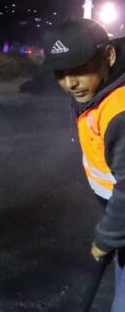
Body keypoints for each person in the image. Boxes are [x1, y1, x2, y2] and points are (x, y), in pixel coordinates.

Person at [42, 18, 125, 311]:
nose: (69, 83)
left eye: (78, 70)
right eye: (60, 73)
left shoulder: (120, 111)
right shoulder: (99, 89)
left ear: (108, 56)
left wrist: (107, 237)